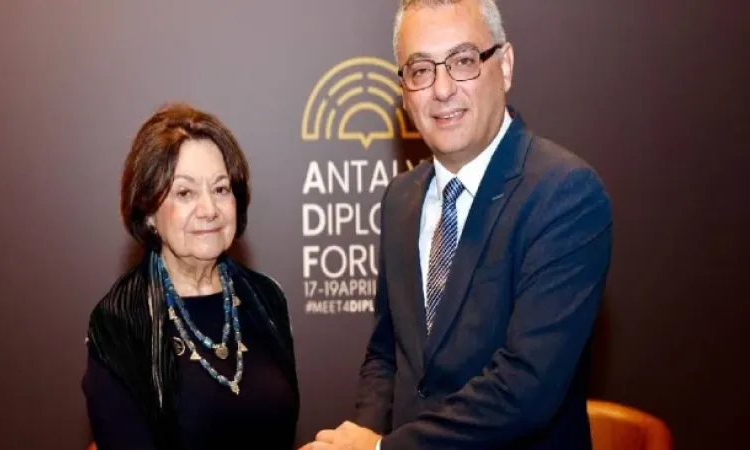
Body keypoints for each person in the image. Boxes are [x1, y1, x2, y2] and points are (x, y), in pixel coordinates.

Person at [300, 0, 612, 449]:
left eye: (463, 61)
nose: (442, 89)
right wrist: (367, 431)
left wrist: (380, 449)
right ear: (404, 90)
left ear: (505, 66)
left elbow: (526, 387)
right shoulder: (399, 198)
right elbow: (387, 352)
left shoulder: (565, 194)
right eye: (420, 70)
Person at [82, 103, 299, 450]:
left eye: (221, 189)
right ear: (149, 212)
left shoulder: (265, 300)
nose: (209, 209)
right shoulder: (120, 324)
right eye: (185, 193)